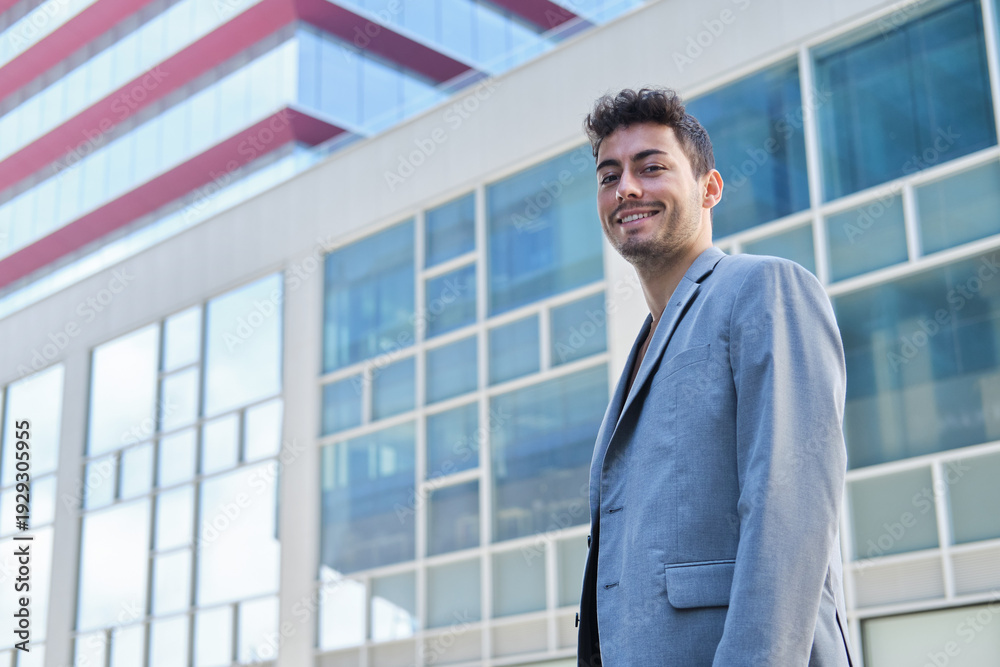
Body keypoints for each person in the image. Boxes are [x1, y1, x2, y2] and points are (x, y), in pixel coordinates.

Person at [576, 88, 855, 666]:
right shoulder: (642, 352)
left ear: (710, 189)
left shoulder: (764, 288)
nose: (626, 188)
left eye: (651, 167)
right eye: (609, 176)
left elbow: (789, 509)